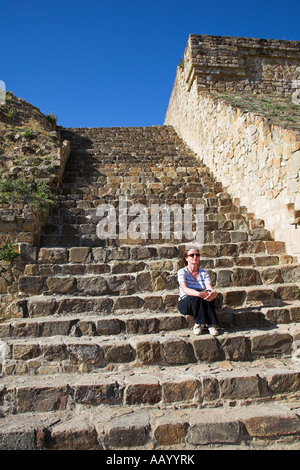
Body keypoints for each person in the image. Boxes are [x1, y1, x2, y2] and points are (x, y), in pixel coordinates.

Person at [177, 248, 219, 336]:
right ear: (186, 258)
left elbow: (209, 288)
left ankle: (210, 325)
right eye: (192, 255)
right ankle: (199, 323)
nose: (195, 257)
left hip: (201, 301)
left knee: (209, 296)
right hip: (186, 303)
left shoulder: (204, 273)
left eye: (197, 255)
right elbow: (184, 289)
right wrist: (198, 294)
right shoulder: (182, 272)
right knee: (196, 297)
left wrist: (213, 293)